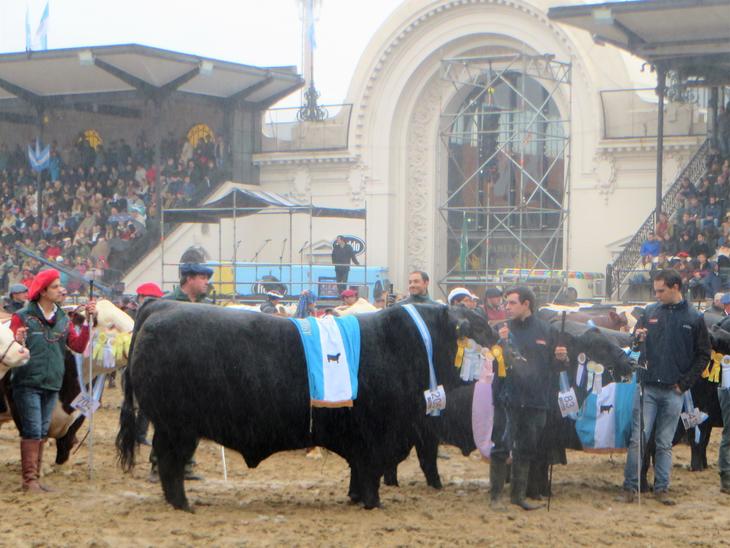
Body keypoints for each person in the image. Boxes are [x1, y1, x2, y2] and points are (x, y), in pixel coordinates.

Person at [620, 269, 711, 505]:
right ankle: (630, 486)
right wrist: (637, 339)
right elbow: (634, 344)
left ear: (675, 287)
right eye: (656, 290)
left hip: (674, 389)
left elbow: (704, 354)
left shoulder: (694, 317)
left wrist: (685, 383)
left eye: (661, 290)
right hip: (648, 386)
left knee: (664, 442)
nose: (657, 295)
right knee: (638, 438)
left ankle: (662, 488)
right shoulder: (649, 312)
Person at [9, 269, 96, 492]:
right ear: (43, 291)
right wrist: (17, 339)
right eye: (55, 287)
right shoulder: (22, 316)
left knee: (41, 430)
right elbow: (10, 348)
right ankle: (30, 480)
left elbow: (78, 346)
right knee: (33, 429)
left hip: (52, 382)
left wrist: (88, 323)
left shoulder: (63, 320)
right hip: (27, 381)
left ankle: (34, 479)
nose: (61, 290)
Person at [489, 286, 568, 511]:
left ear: (526, 304)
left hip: (536, 401)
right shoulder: (501, 330)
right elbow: (494, 364)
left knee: (525, 449)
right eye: (506, 302)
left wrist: (562, 359)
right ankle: (495, 497)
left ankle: (518, 496)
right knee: (501, 448)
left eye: (512, 303)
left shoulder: (547, 331)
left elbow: (554, 368)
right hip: (508, 399)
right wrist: (502, 344)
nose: (507, 307)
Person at [150, 264, 213, 482]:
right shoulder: (167, 303)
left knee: (195, 420)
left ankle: (186, 465)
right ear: (189, 279)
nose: (206, 282)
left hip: (199, 371)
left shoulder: (208, 306)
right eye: (202, 277)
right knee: (166, 420)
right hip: (170, 370)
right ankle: (158, 465)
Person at [132, 282, 165, 447]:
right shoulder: (133, 314)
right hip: (133, 360)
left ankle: (140, 433)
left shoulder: (159, 316)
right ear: (140, 297)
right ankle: (131, 431)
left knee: (146, 402)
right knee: (132, 400)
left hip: (152, 363)